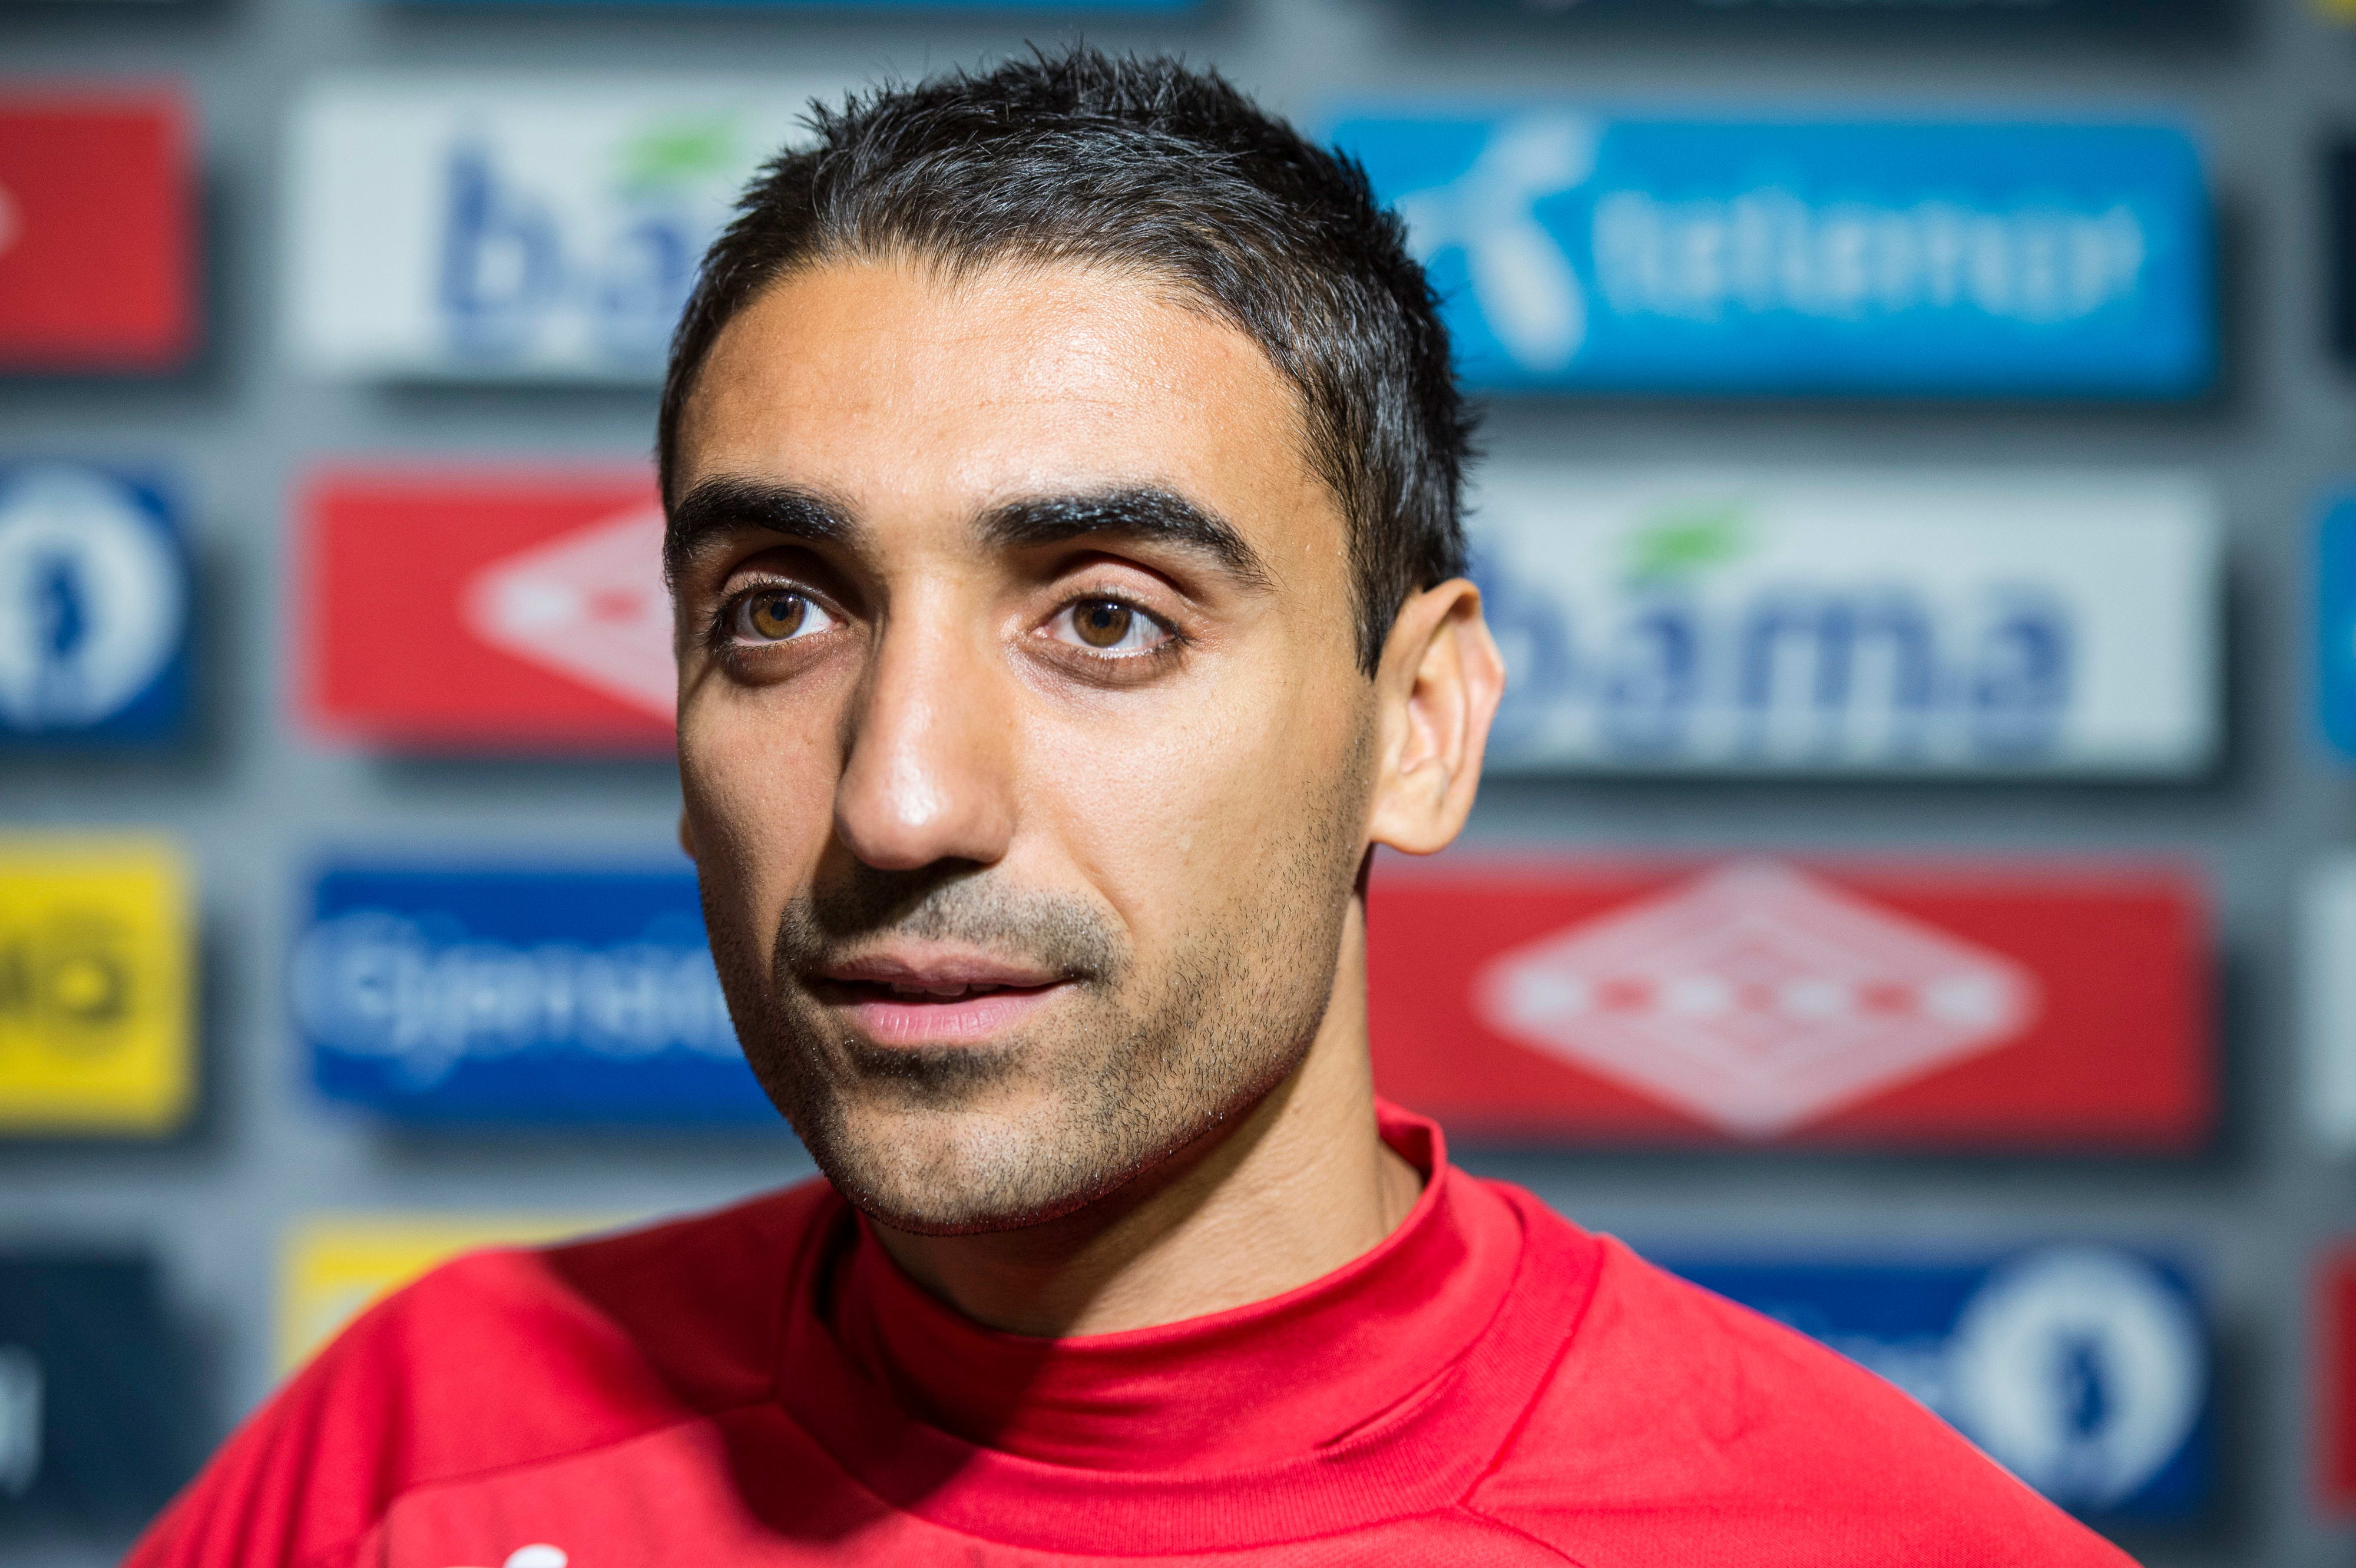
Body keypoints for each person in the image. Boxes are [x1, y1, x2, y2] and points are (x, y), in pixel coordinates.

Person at [130, 48, 2135, 1567]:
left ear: (1419, 726)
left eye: (1104, 618)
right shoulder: (421, 1454)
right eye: (781, 611)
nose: (901, 799)